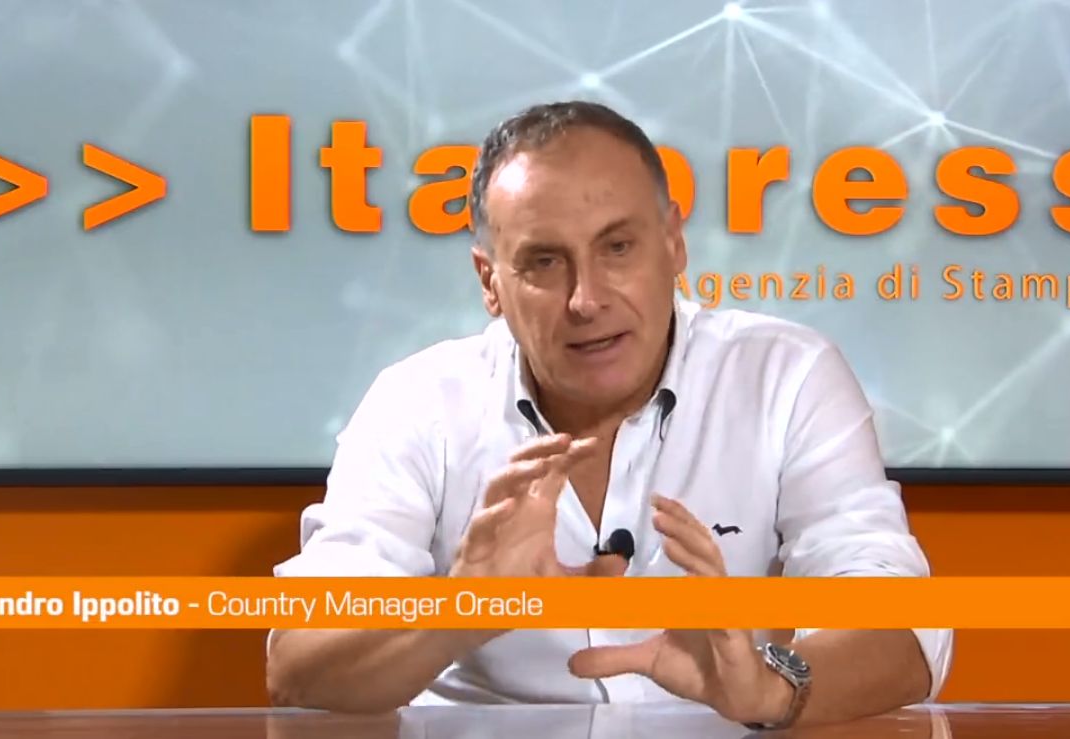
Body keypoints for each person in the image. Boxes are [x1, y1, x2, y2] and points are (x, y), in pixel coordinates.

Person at [267, 100, 952, 729]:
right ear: (490, 282)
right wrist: (464, 607)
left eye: (617, 248)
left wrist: (773, 689)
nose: (586, 299)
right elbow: (299, 662)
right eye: (543, 262)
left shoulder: (786, 376)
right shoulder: (417, 402)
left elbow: (905, 625)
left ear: (674, 243)